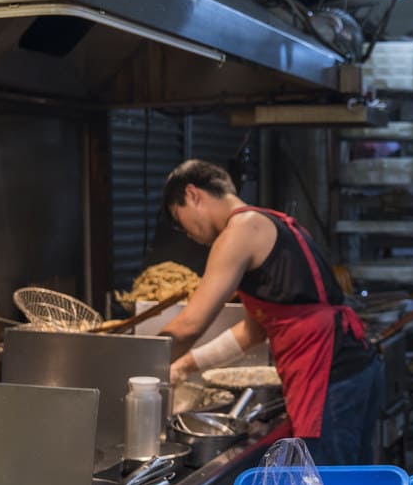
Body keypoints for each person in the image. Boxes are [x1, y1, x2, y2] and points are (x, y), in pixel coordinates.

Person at [159, 160, 383, 466]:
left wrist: (145, 367)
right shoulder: (267, 223)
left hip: (330, 376)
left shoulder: (241, 230)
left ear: (193, 194)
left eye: (178, 217)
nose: (185, 232)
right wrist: (184, 365)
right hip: (352, 369)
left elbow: (191, 323)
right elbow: (252, 332)